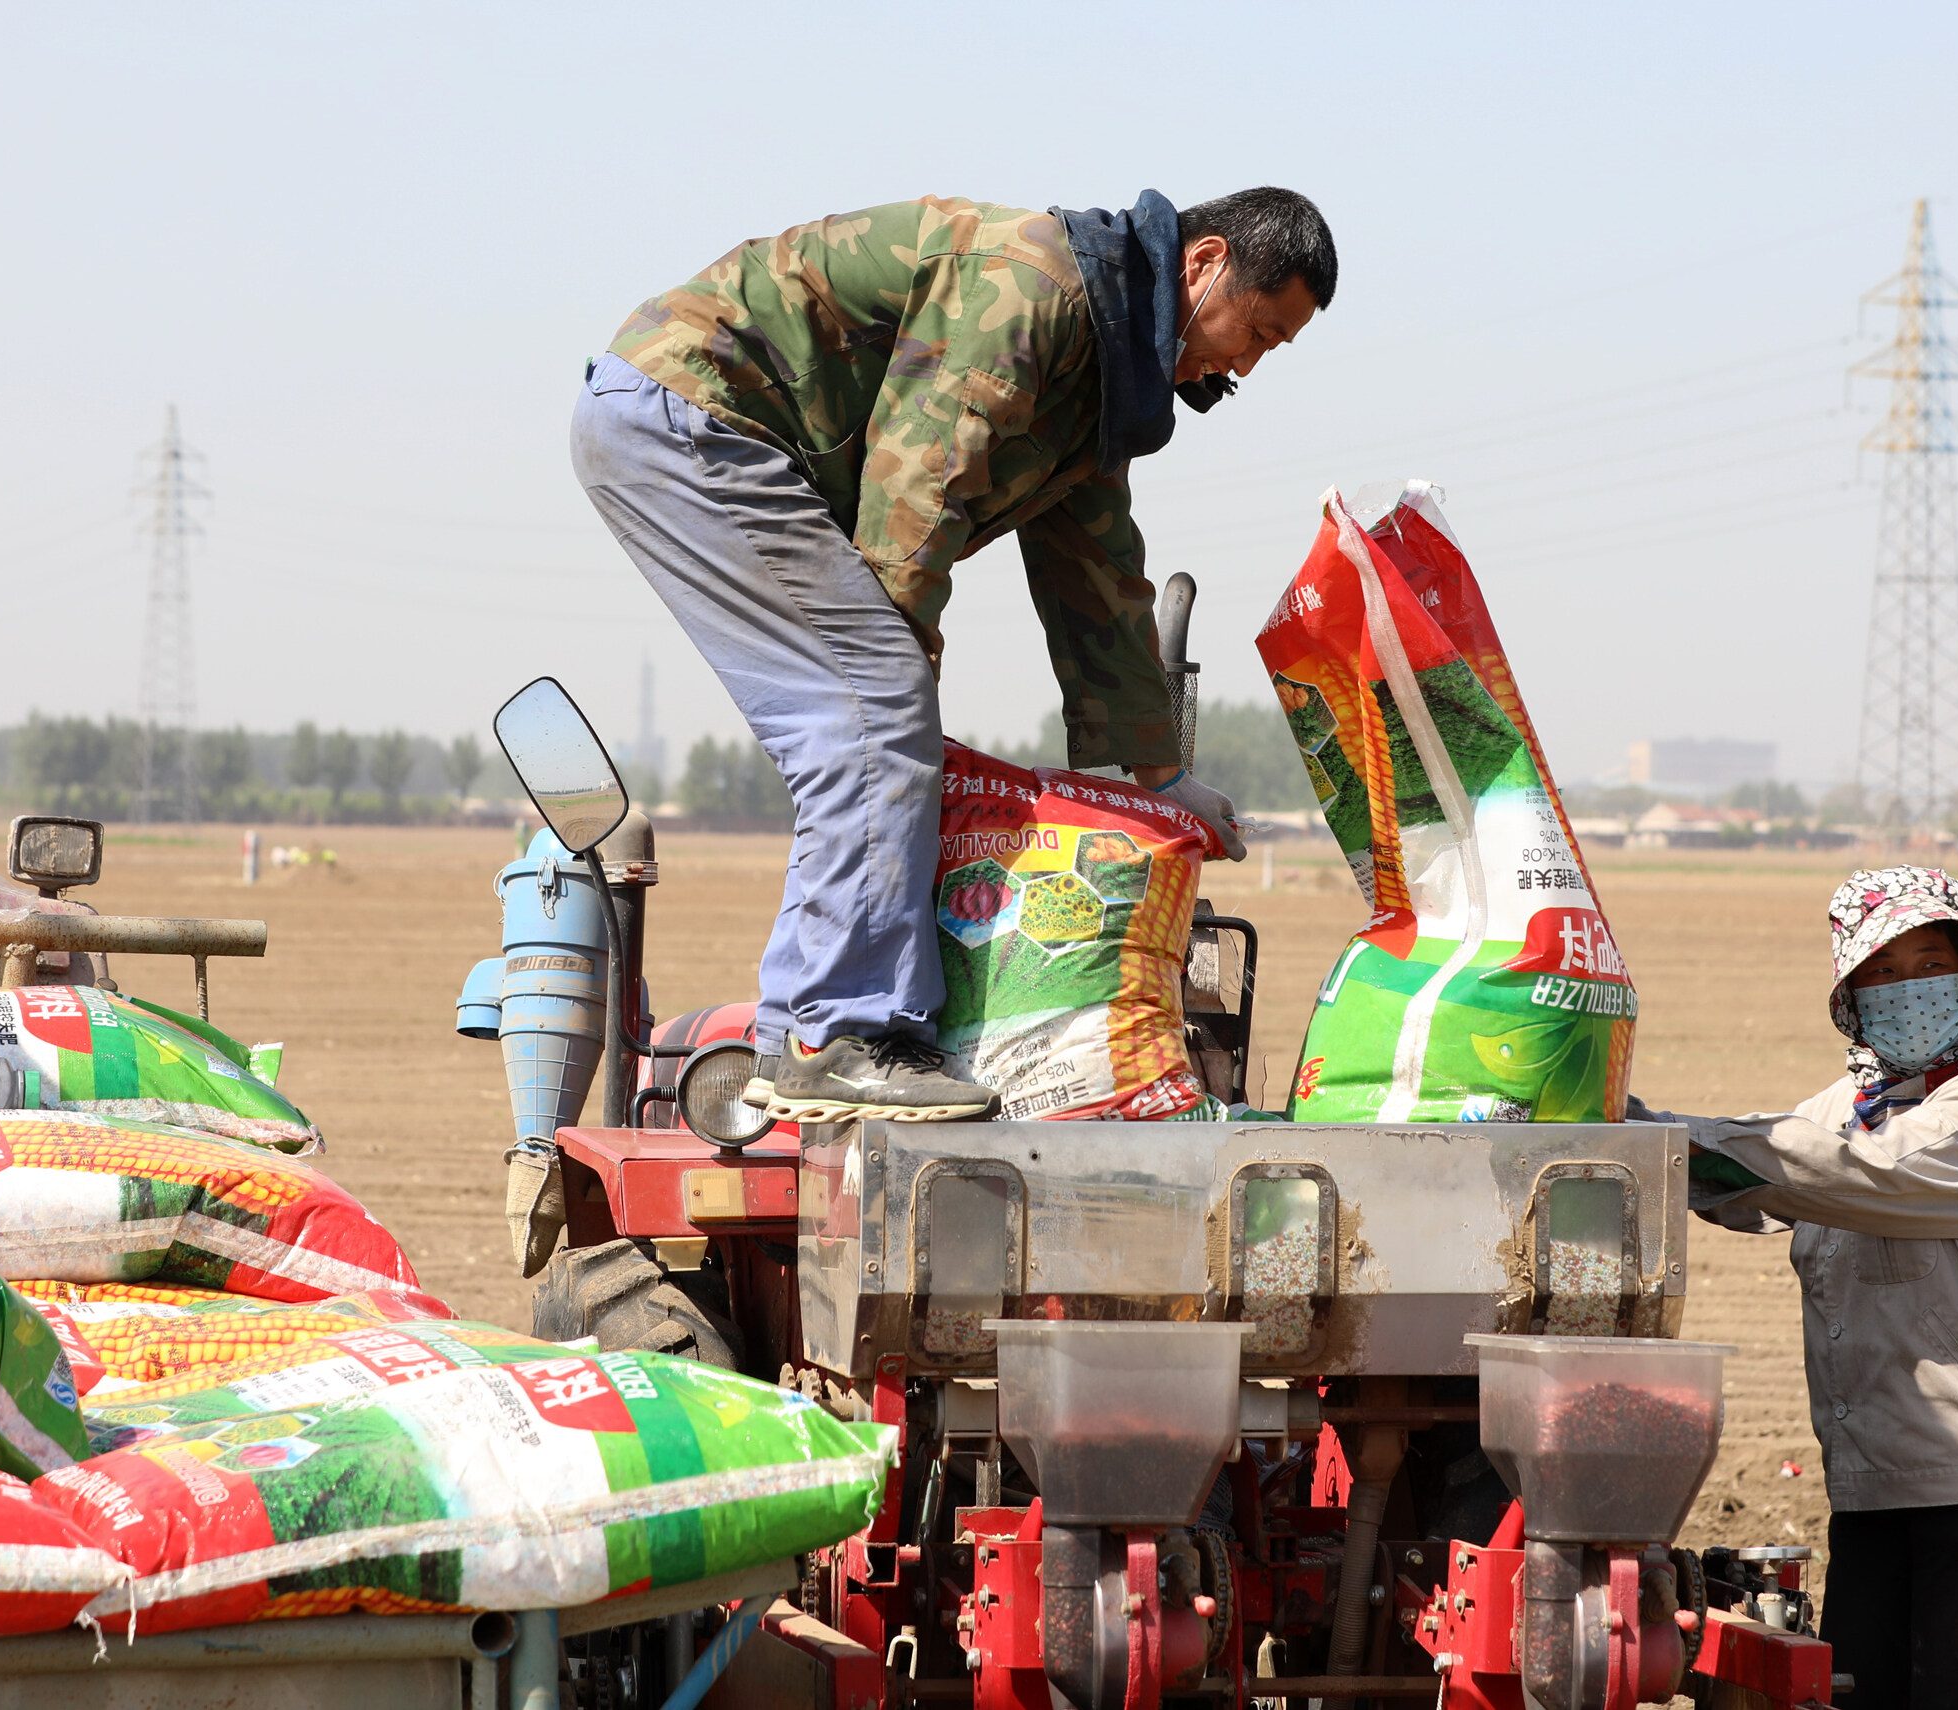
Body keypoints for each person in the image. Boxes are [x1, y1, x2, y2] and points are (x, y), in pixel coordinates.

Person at [507, 188, 1337, 1272]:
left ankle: (804, 1033)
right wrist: (896, 711)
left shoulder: (1095, 382)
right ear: (1205, 264)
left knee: (875, 706)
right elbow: (915, 492)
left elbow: (1097, 581)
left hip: (706, 429)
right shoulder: (1034, 289)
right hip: (696, 414)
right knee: (873, 706)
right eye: (1259, 332)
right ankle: (837, 1032)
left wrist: (1157, 779)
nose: (1252, 365)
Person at [1651, 866, 1958, 1710]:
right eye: (1880, 970)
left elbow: (1834, 1174)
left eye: (1927, 966)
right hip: (1871, 1483)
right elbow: (1761, 1186)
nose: (1905, 989)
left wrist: (1665, 1140)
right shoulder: (1855, 1102)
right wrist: (1642, 1148)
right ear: (1850, 991)